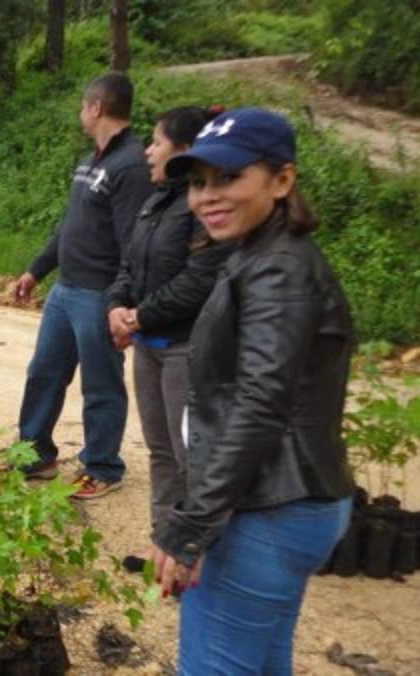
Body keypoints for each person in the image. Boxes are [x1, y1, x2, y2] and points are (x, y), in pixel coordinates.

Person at [150, 108, 355, 673]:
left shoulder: (278, 270)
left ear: (282, 180)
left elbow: (261, 402)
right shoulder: (264, 256)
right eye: (197, 183)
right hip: (287, 499)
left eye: (229, 177)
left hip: (267, 505)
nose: (207, 197)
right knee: (263, 662)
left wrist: (189, 525)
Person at [12, 72, 154, 499]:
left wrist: (123, 301)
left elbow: (135, 240)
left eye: (82, 106)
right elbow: (70, 227)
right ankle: (35, 454)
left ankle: (103, 466)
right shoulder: (92, 159)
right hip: (65, 289)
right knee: (44, 372)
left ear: (96, 108)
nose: (80, 114)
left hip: (99, 293)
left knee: (101, 384)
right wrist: (37, 270)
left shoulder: (131, 165)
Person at [104, 106, 233, 538]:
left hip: (186, 350)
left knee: (190, 455)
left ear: (186, 150)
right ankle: (166, 540)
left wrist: (138, 317)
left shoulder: (205, 211)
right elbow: (128, 263)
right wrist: (116, 306)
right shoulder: (154, 201)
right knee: (160, 450)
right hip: (148, 347)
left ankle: (197, 550)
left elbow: (197, 282)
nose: (147, 152)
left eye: (156, 142)